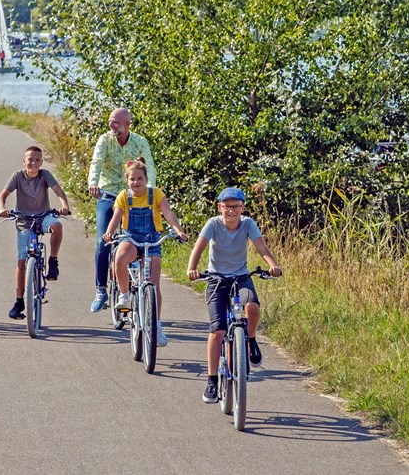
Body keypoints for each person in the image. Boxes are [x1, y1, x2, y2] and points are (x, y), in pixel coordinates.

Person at [187, 187, 282, 404]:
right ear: (219, 207)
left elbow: (261, 247)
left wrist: (273, 265)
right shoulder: (213, 224)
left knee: (253, 307)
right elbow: (199, 247)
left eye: (235, 206)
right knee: (217, 330)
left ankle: (249, 339)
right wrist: (191, 268)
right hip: (216, 279)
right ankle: (212, 380)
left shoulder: (248, 224)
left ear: (243, 208)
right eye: (226, 206)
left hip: (241, 277)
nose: (231, 210)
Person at [102, 158, 187, 346]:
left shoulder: (156, 194)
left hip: (152, 239)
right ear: (127, 180)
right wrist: (108, 233)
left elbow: (168, 213)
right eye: (132, 179)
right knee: (120, 258)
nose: (136, 182)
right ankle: (124, 295)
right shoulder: (123, 196)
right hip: (130, 237)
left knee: (154, 285)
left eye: (140, 178)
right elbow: (116, 217)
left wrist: (179, 230)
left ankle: (156, 325)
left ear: (146, 179)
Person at [88, 107, 156, 312]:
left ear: (128, 124)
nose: (112, 125)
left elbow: (149, 166)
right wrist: (93, 183)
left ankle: (140, 284)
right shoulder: (104, 140)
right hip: (108, 193)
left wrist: (150, 190)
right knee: (103, 240)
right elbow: (96, 162)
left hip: (133, 197)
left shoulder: (140, 141)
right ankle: (101, 290)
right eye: (110, 121)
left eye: (116, 122)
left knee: (142, 237)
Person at [0, 146, 70, 320]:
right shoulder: (17, 176)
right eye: (30, 159)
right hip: (23, 221)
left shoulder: (45, 175)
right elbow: (3, 194)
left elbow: (59, 191)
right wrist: (2, 208)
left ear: (41, 162)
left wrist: (65, 206)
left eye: (37, 160)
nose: (33, 163)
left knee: (57, 227)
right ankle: (19, 301)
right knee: (22, 260)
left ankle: (53, 261)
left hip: (43, 217)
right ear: (24, 161)